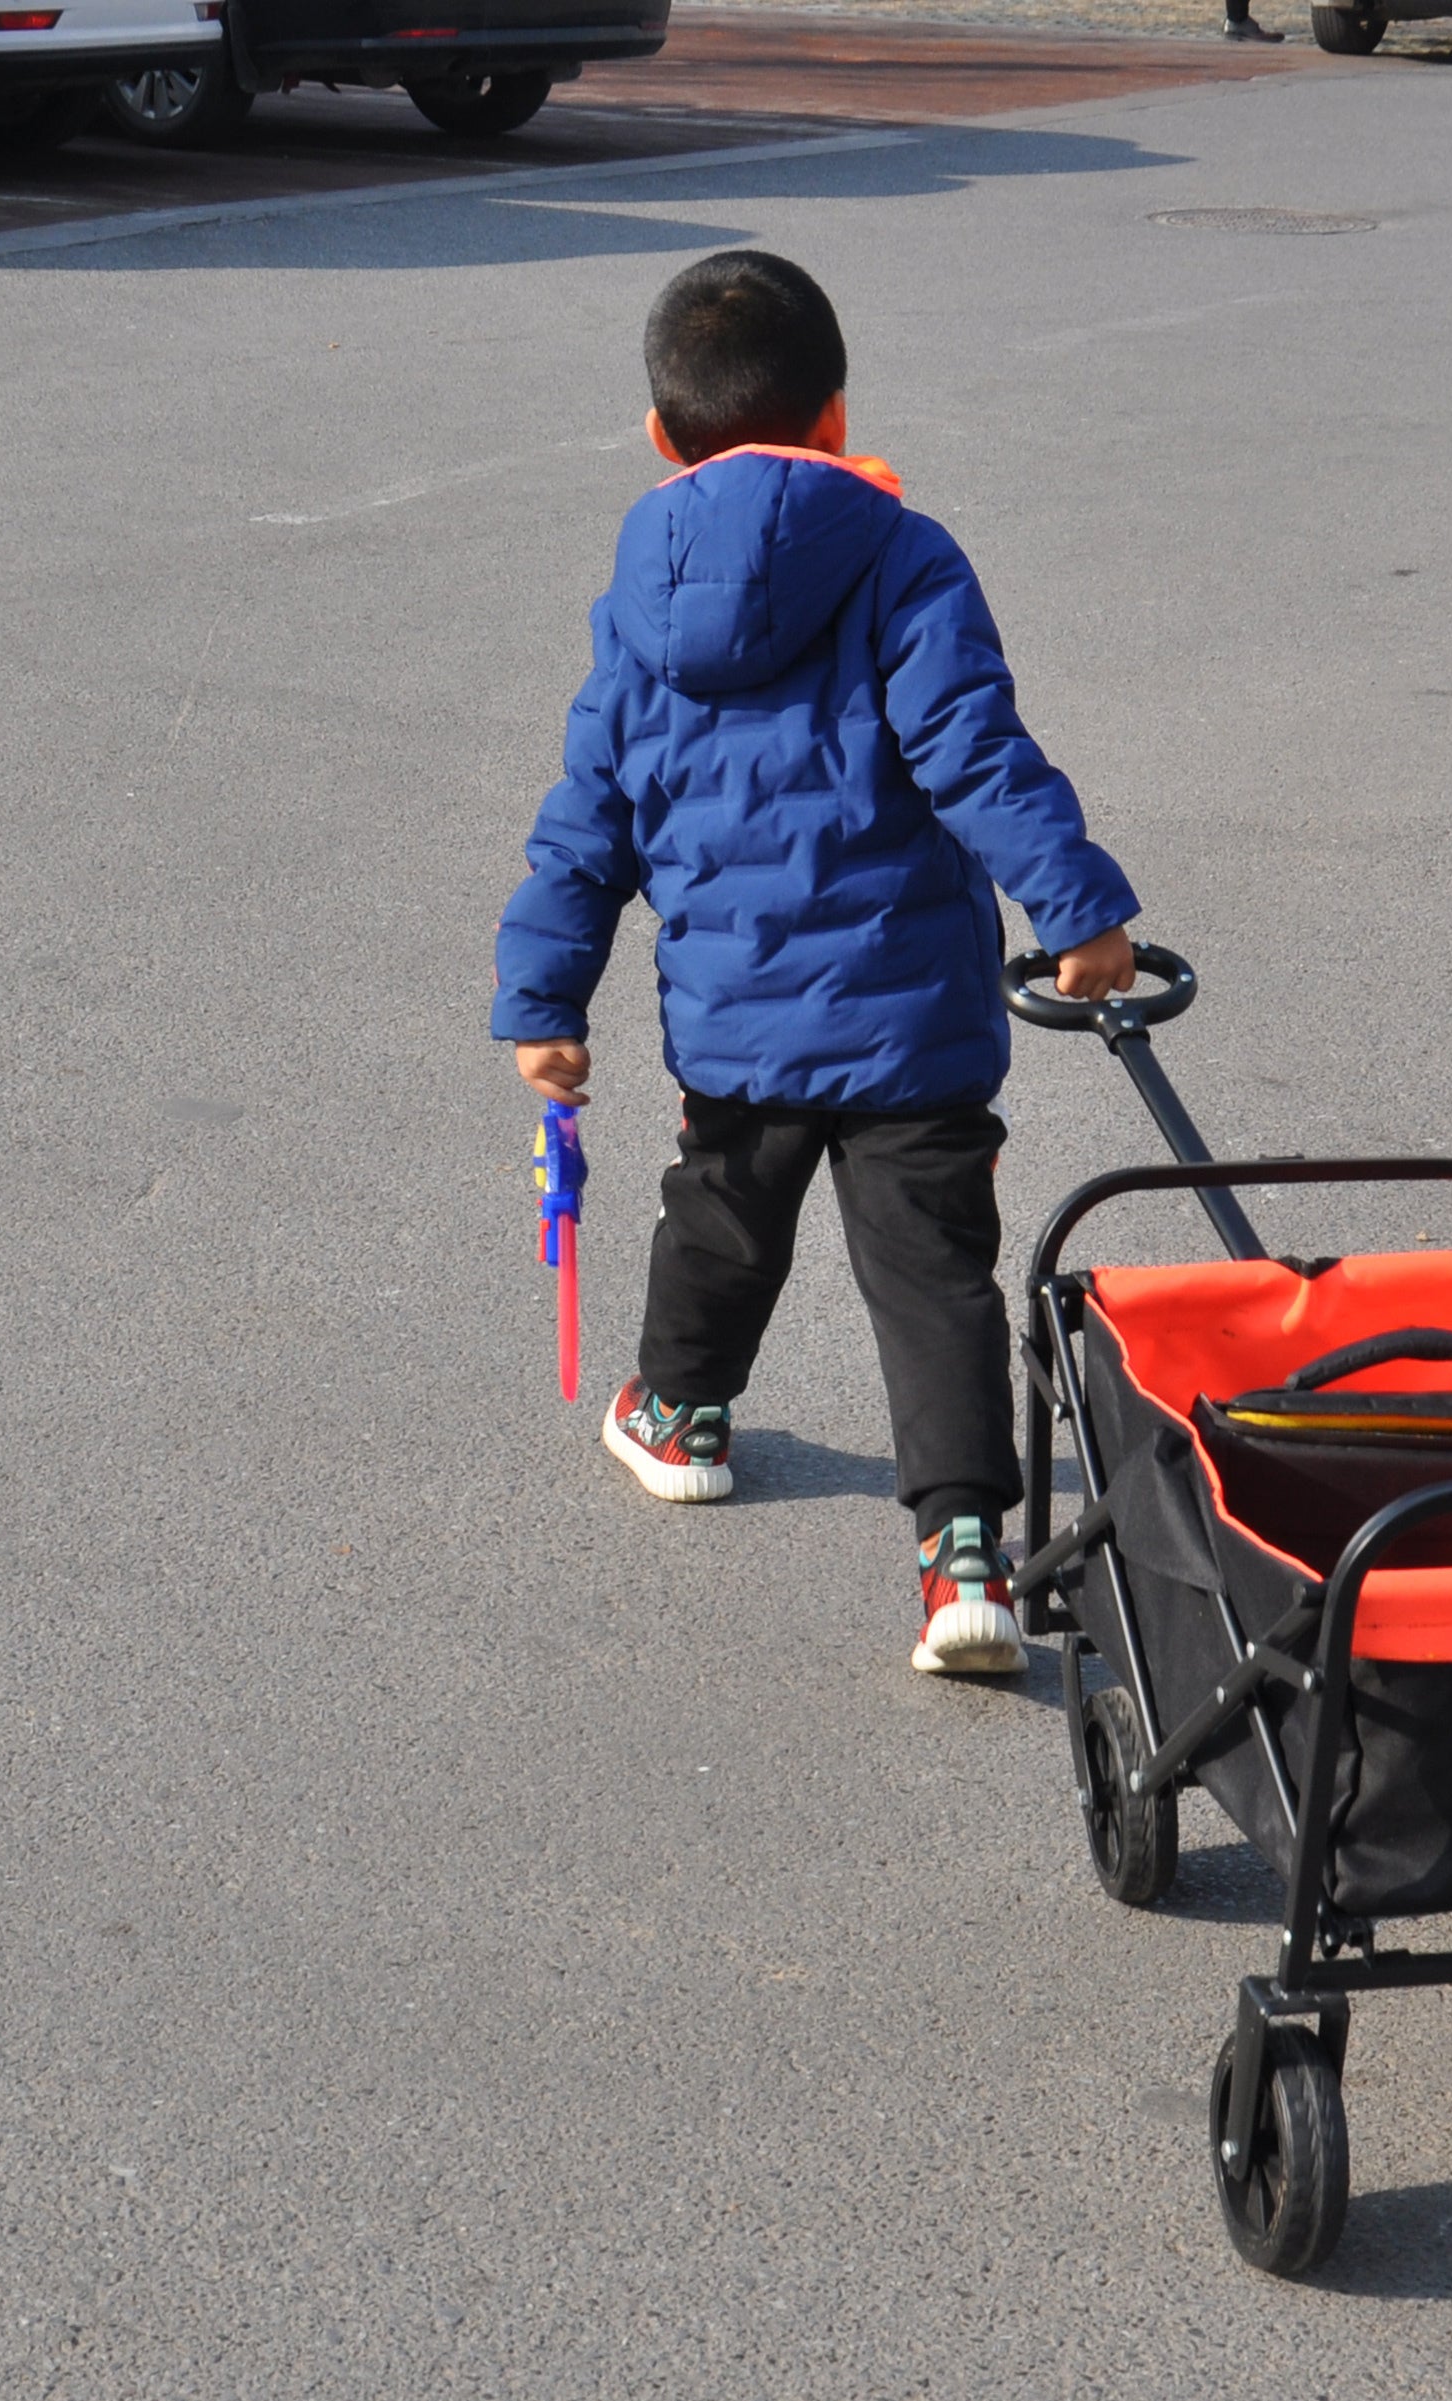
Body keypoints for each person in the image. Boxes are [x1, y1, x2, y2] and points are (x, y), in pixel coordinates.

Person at [491, 249, 1141, 1678]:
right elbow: (975, 751)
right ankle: (964, 1553)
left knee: (720, 1217)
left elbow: (586, 812)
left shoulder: (639, 599)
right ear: (837, 418)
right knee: (933, 1276)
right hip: (914, 1018)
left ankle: (680, 1417)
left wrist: (546, 1004)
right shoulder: (903, 556)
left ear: (665, 438)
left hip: (733, 1018)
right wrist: (1079, 911)